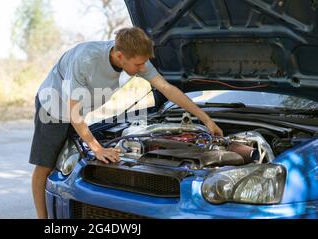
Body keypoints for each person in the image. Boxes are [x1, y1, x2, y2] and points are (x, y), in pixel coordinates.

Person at [29, 27, 223, 219]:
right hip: (53, 106)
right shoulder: (86, 59)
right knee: (45, 166)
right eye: (138, 65)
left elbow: (167, 89)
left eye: (144, 64)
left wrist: (206, 119)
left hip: (78, 108)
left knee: (67, 156)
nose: (142, 68)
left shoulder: (135, 58)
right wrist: (98, 149)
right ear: (120, 56)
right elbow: (73, 112)